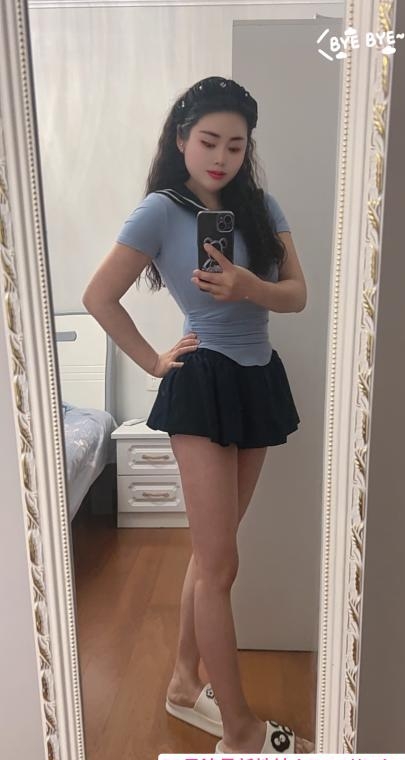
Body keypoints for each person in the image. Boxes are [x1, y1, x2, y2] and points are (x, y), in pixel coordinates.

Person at [82, 76, 312, 753]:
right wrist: (153, 361)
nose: (221, 157)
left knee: (214, 556)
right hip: (204, 379)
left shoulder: (261, 206)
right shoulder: (160, 210)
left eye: (236, 146)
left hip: (256, 378)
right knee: (219, 566)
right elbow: (99, 296)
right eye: (209, 141)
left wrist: (249, 286)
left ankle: (185, 683)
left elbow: (296, 295)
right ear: (181, 139)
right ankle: (239, 732)